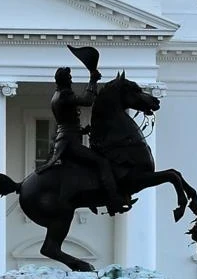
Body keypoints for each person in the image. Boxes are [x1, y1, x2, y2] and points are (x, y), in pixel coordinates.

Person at [38, 65, 131, 214]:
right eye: (69, 78)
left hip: (67, 138)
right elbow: (87, 100)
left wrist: (82, 131)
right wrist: (93, 80)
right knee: (102, 162)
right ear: (64, 80)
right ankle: (113, 200)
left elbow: (66, 122)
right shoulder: (63, 95)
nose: (71, 81)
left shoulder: (57, 95)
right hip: (69, 143)